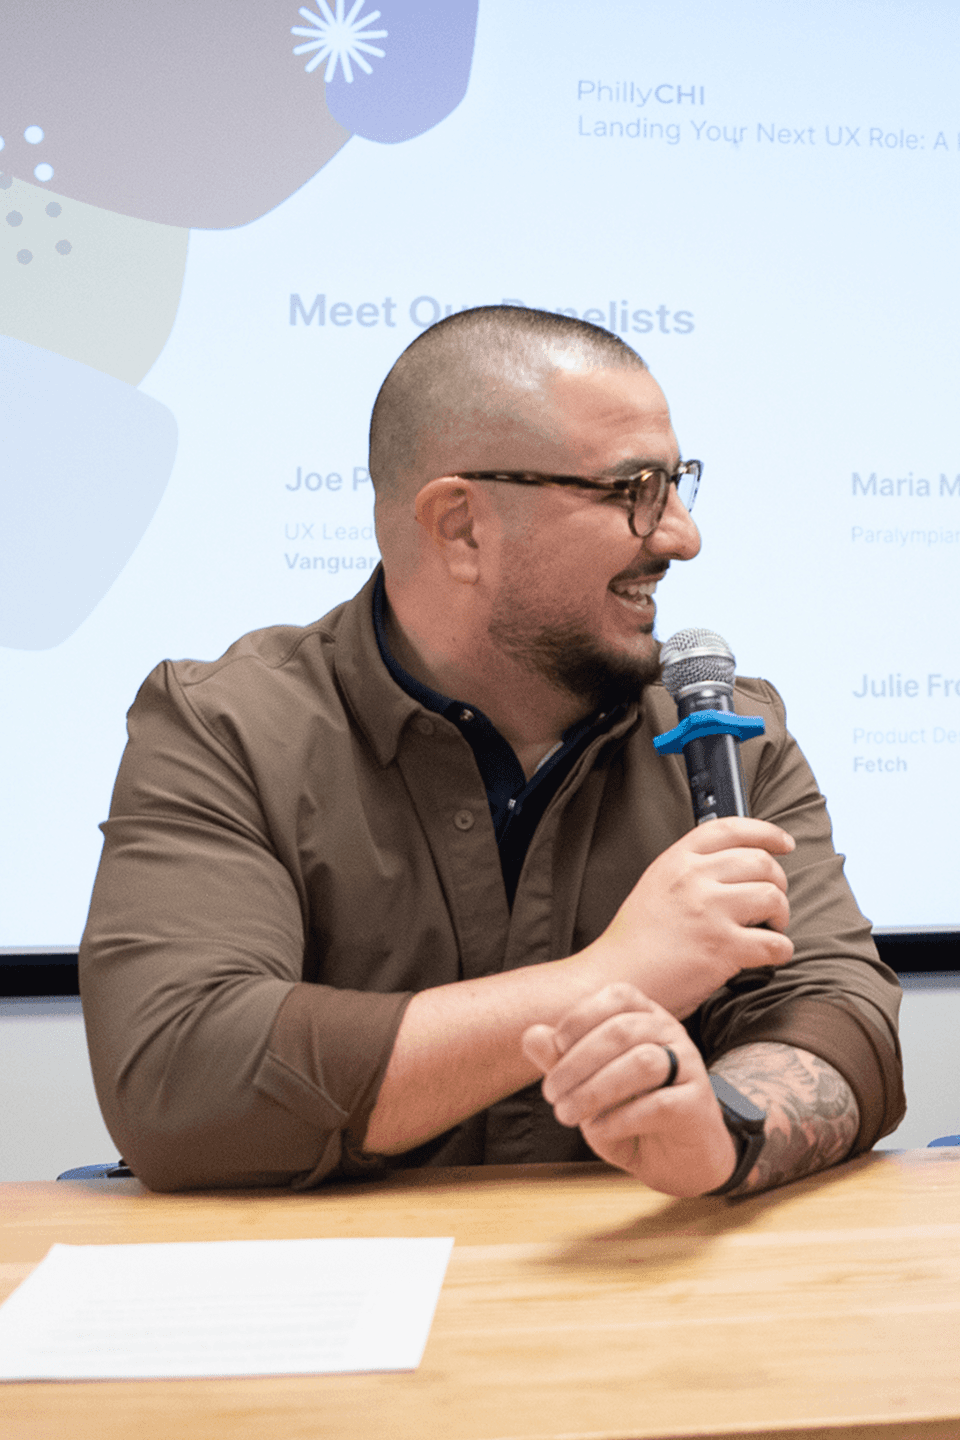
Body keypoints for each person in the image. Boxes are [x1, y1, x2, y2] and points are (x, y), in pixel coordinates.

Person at [79, 306, 904, 1195]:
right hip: (325, 1302)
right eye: (633, 490)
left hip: (640, 1285)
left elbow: (840, 1015)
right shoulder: (228, 728)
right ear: (461, 526)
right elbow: (180, 1078)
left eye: (677, 484)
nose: (680, 536)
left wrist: (721, 1129)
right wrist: (608, 979)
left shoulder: (729, 734)